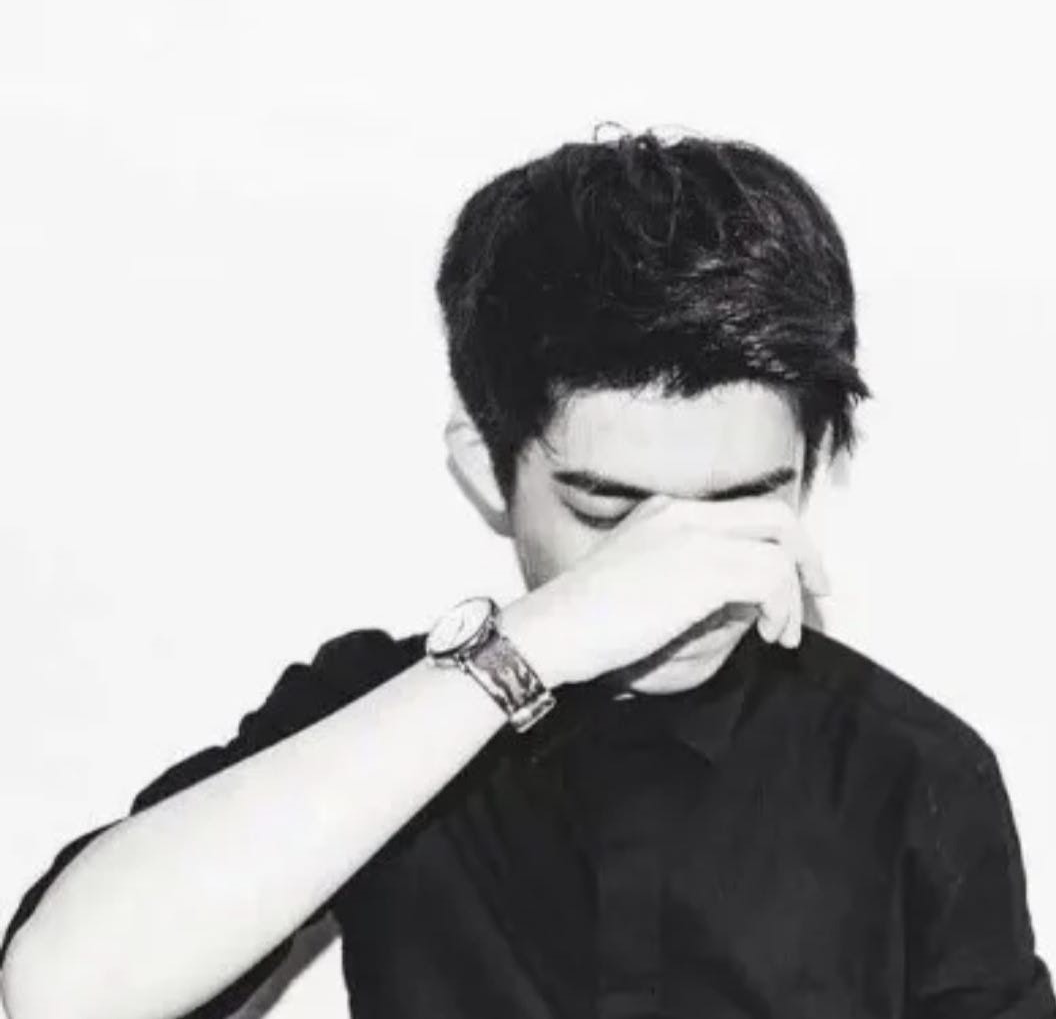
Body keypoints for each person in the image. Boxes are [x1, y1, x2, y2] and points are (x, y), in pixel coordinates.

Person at [1, 129, 1052, 1019]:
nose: (675, 572)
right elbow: (58, 995)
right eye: (609, 511)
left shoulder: (912, 771)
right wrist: (527, 652)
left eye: (741, 503)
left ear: (813, 466)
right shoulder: (382, 719)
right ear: (486, 472)